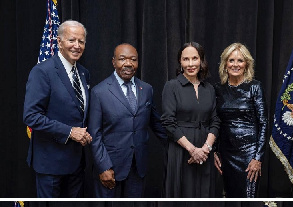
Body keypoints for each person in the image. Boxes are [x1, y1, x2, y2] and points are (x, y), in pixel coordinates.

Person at [23, 20, 92, 198]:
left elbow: (78, 112)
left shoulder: (84, 73)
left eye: (81, 41)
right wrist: (70, 132)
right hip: (50, 164)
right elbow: (31, 116)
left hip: (77, 163)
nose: (77, 46)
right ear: (59, 42)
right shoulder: (42, 72)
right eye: (72, 40)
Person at [88, 43, 167, 198]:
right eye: (122, 59)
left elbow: (157, 124)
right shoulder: (99, 92)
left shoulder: (147, 90)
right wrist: (103, 167)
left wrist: (182, 146)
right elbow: (94, 134)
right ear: (113, 62)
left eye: (133, 59)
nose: (128, 64)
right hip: (110, 168)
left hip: (138, 167)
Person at [161, 42, 220, 197]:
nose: (191, 64)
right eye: (186, 59)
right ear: (180, 62)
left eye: (195, 58)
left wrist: (205, 149)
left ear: (201, 60)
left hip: (205, 152)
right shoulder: (172, 86)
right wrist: (193, 150)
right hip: (181, 151)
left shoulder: (209, 89)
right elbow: (168, 122)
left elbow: (215, 121)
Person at [214, 43, 267, 198]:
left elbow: (263, 123)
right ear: (225, 64)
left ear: (246, 64)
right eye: (231, 60)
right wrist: (215, 151)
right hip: (226, 154)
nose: (235, 65)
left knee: (247, 197)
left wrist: (258, 158)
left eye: (240, 61)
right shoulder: (218, 89)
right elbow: (216, 122)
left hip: (249, 154)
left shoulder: (255, 87)